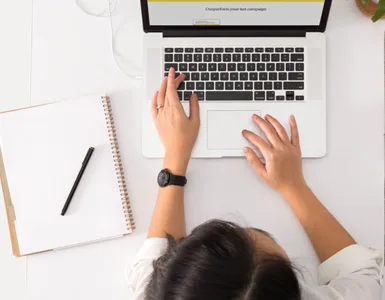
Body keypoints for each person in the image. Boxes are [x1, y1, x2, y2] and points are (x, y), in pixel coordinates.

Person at [127, 68, 383, 300]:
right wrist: (293, 186)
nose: (248, 230)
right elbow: (364, 274)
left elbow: (151, 266)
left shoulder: (156, 293)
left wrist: (175, 153)